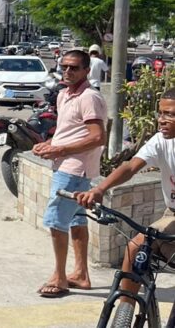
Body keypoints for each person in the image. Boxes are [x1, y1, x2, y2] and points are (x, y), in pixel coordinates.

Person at [76, 88, 175, 305]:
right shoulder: (161, 141)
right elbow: (130, 167)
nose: (162, 120)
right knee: (135, 249)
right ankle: (125, 309)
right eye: (161, 113)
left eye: (171, 114)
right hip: (172, 215)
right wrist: (99, 189)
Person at [31, 49, 107, 298]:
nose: (68, 71)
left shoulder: (89, 97)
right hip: (64, 164)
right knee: (76, 219)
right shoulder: (64, 95)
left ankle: (59, 277)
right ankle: (81, 274)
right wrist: (49, 145)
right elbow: (67, 131)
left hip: (75, 169)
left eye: (74, 67)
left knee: (55, 221)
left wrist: (60, 148)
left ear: (87, 70)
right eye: (64, 67)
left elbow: (97, 137)